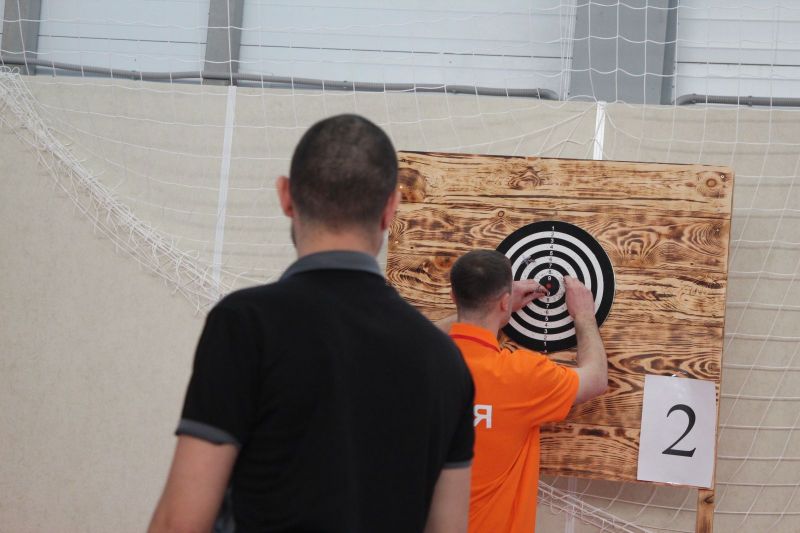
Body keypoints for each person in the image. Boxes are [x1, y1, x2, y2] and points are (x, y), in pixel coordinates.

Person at [149, 114, 475, 533]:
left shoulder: (245, 325)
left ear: (286, 196)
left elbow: (180, 522)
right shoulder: (445, 360)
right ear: (390, 209)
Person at [441, 249, 608, 533]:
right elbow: (596, 378)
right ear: (505, 302)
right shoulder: (521, 374)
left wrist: (482, 307)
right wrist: (583, 315)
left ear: (453, 297)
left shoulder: (417, 363)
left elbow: (418, 336)